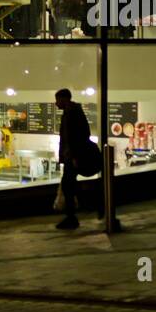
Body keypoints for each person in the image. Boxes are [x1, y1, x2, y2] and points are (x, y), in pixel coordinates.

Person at [54, 88, 101, 230]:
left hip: (74, 157)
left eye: (57, 100)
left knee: (68, 186)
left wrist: (74, 156)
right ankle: (79, 211)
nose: (56, 104)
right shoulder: (72, 111)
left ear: (64, 99)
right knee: (69, 186)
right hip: (72, 156)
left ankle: (74, 216)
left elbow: (76, 136)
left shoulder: (72, 113)